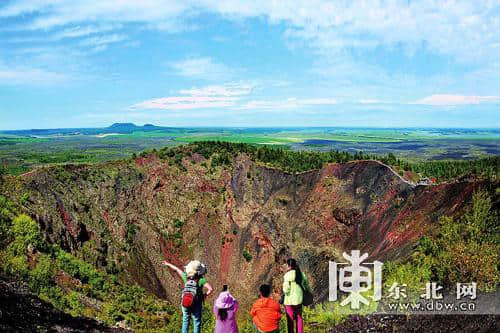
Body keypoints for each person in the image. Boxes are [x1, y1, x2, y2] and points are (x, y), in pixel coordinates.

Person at [162, 260, 214, 333]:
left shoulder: (185, 276)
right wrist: (205, 295)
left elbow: (177, 269)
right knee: (196, 322)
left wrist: (168, 264)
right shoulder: (201, 280)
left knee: (185, 321)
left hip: (186, 301)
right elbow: (211, 289)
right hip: (197, 303)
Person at [282, 258, 311, 333]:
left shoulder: (287, 275)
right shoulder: (301, 274)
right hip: (298, 299)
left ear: (288, 266)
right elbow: (307, 286)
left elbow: (286, 290)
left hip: (289, 301)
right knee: (299, 318)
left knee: (290, 320)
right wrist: (309, 292)